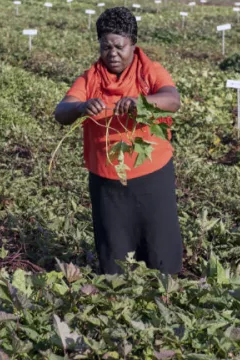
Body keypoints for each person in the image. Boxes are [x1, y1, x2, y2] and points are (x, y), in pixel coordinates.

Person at [54, 7, 183, 275]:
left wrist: (141, 102)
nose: (112, 54)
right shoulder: (90, 78)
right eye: (106, 47)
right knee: (115, 256)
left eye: (119, 47)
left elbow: (172, 100)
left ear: (133, 45)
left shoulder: (151, 71)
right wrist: (80, 107)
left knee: (161, 253)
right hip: (107, 180)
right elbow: (61, 111)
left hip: (152, 175)